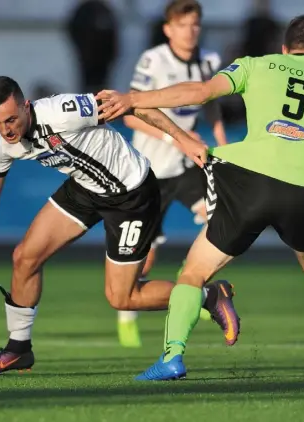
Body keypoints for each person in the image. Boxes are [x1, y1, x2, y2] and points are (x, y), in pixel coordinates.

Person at [96, 14, 304, 381]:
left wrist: (135, 98)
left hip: (247, 183)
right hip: (302, 190)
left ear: (284, 48)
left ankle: (173, 357)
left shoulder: (254, 65)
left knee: (194, 273)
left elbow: (199, 93)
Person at [0, 76, 239, 376]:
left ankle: (209, 296)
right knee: (25, 257)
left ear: (26, 106)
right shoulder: (4, 144)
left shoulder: (63, 111)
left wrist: (181, 139)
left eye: (12, 119)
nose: (6, 130)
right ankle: (18, 349)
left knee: (122, 298)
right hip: (85, 188)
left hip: (131, 193)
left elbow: (131, 105)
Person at [117, 0, 228, 348]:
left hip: (184, 168)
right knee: (145, 256)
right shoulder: (153, 60)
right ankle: (126, 314)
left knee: (223, 219)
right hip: (147, 170)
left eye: (195, 24)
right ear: (168, 29)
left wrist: (223, 147)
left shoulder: (209, 61)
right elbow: (130, 114)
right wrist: (173, 137)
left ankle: (191, 276)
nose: (190, 30)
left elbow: (213, 108)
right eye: (183, 25)